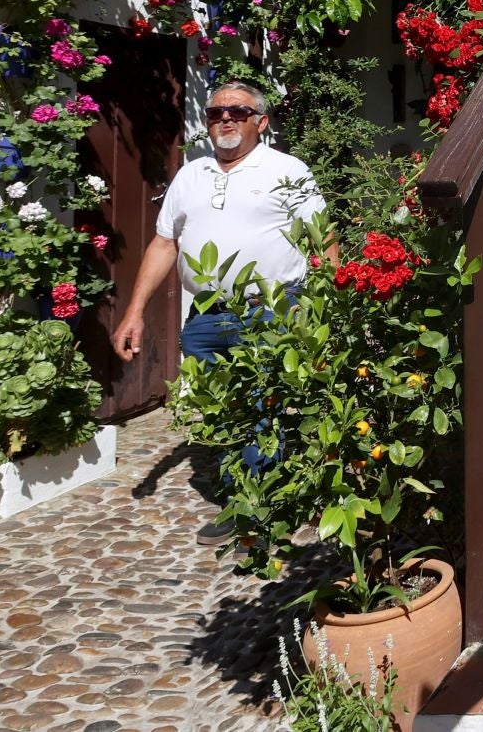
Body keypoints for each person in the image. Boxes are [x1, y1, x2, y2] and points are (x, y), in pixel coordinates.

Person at [109, 78, 325, 542]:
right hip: (206, 317)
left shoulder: (287, 171)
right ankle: (243, 498)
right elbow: (165, 243)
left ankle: (261, 507)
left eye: (238, 111)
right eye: (215, 112)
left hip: (272, 310)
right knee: (222, 410)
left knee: (265, 407)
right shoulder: (191, 175)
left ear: (261, 122)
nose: (225, 118)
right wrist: (135, 311)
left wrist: (334, 304)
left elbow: (322, 240)